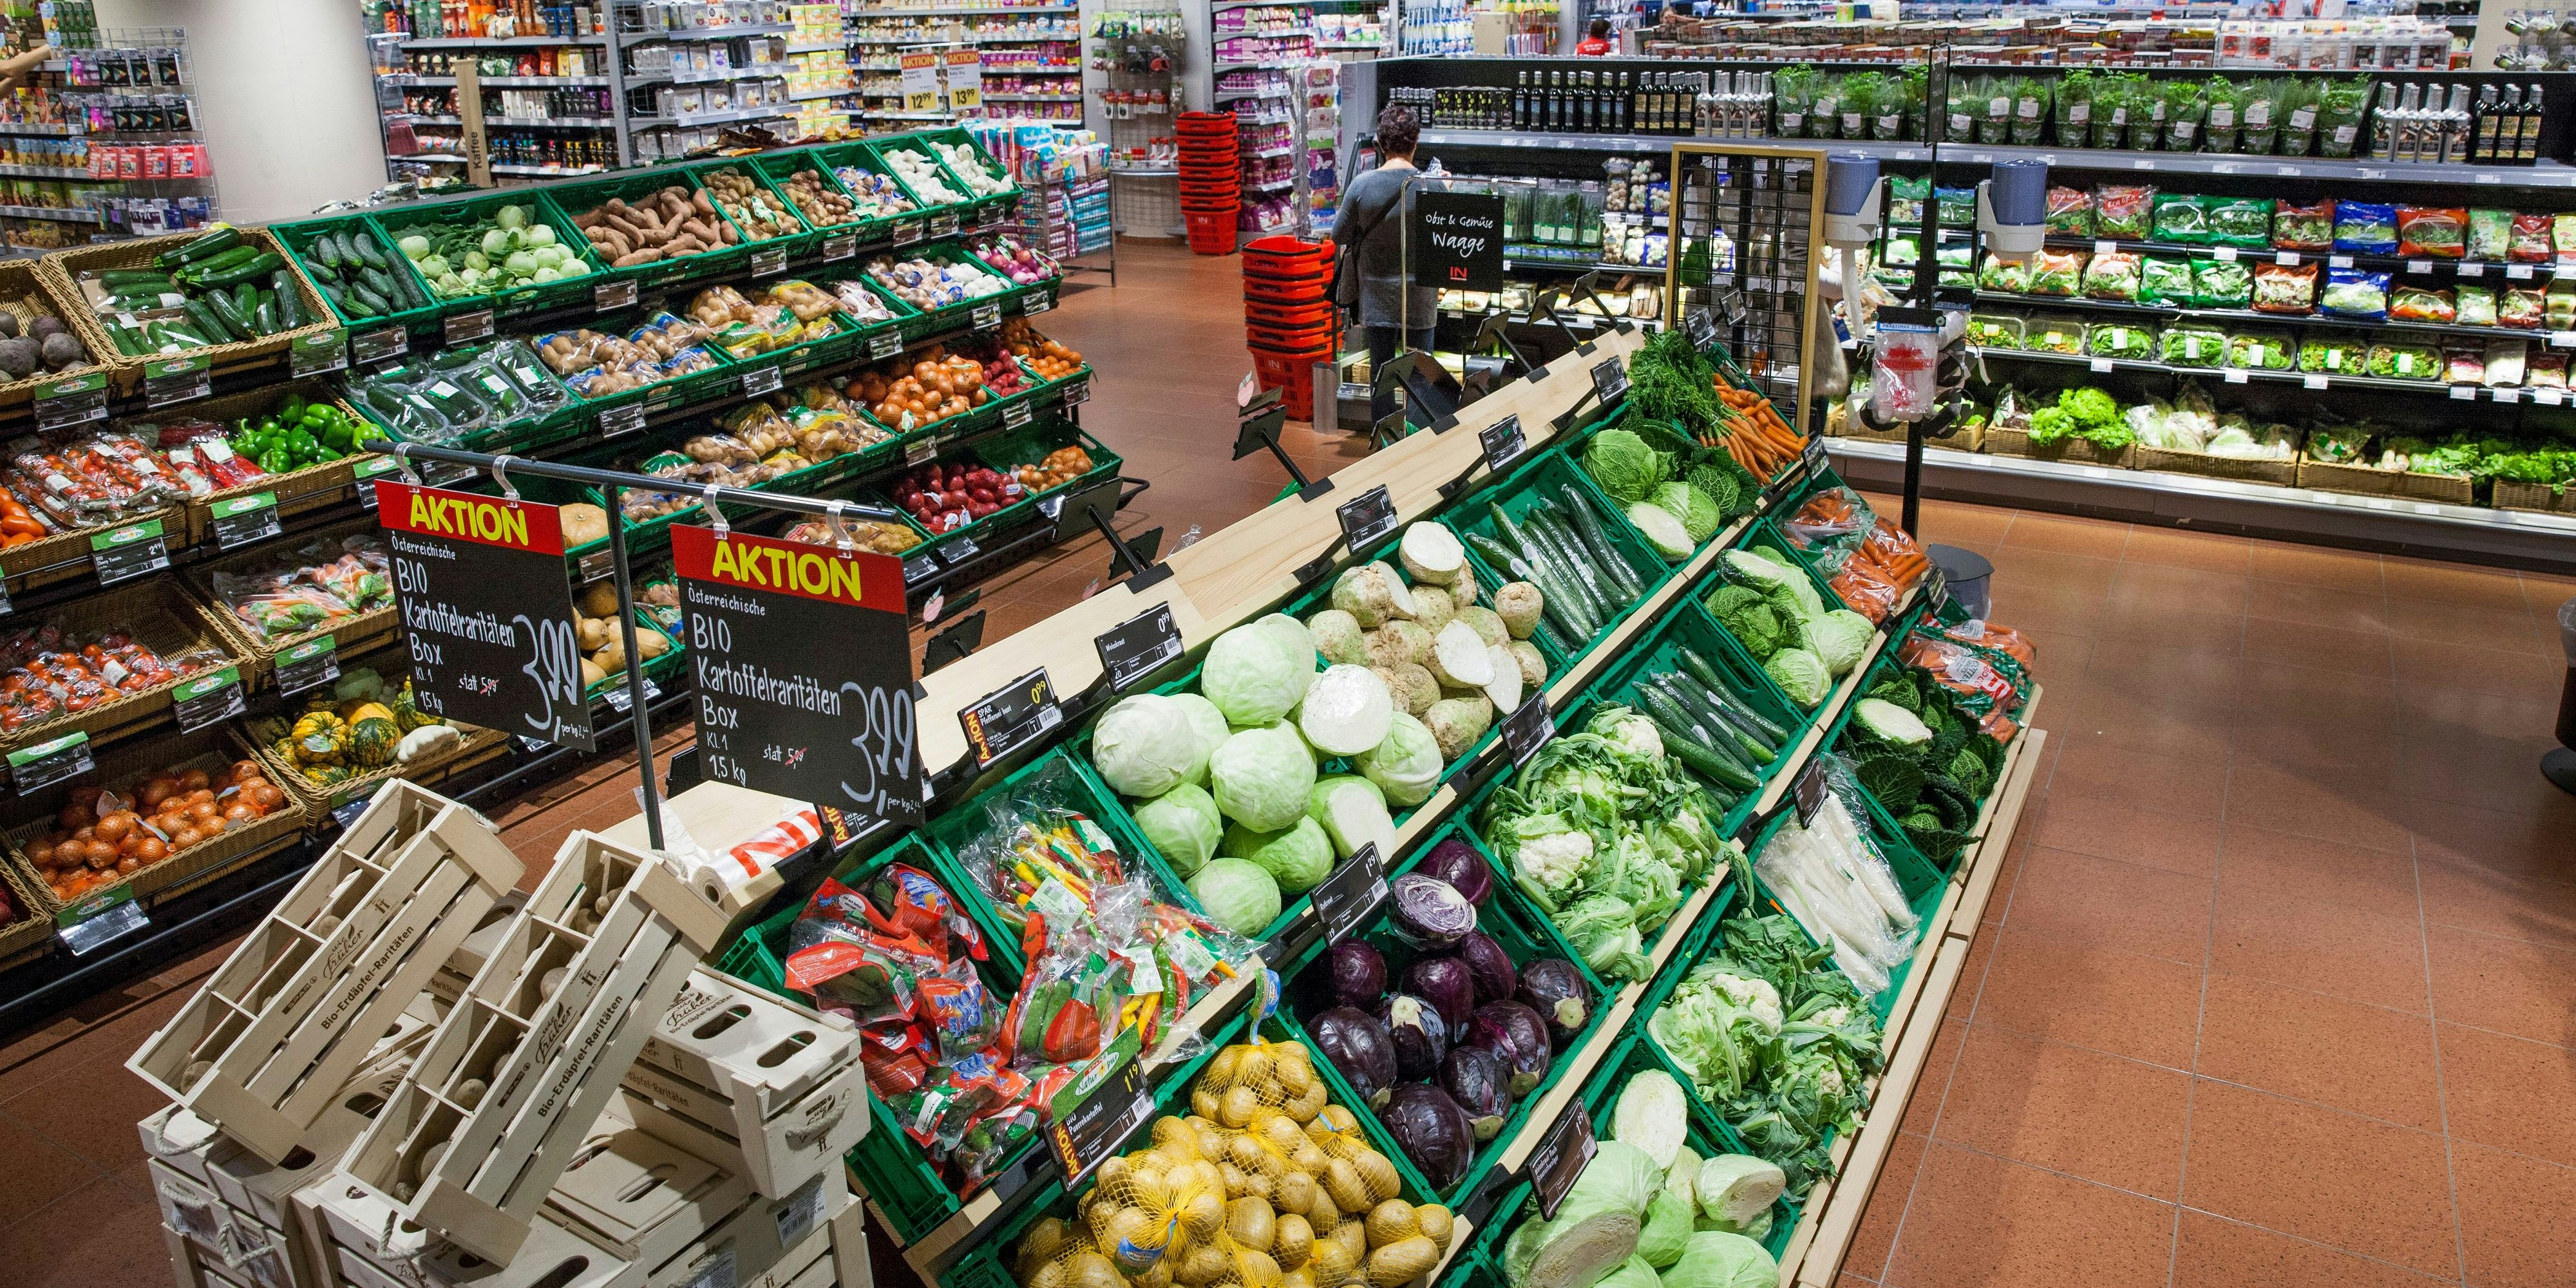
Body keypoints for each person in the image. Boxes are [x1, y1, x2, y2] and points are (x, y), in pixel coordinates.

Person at [1330, 104, 1438, 429]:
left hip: (1376, 297)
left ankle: (1385, 444)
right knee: (1421, 374)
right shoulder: (1430, 186)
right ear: (1416, 142)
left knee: (1382, 372)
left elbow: (1339, 235)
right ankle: (1421, 443)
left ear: (1379, 141)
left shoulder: (1362, 186)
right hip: (1420, 297)